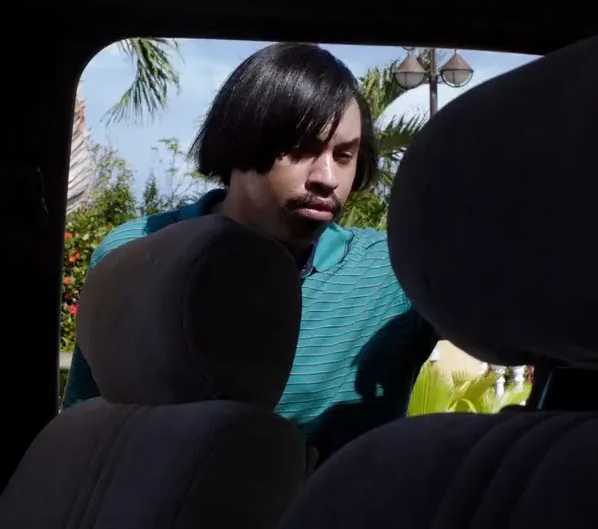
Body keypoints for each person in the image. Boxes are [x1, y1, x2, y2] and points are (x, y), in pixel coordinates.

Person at [61, 43, 440, 462]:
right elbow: (85, 426)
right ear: (241, 141)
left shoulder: (394, 271)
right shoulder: (135, 254)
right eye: (302, 150)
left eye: (344, 155)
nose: (327, 177)